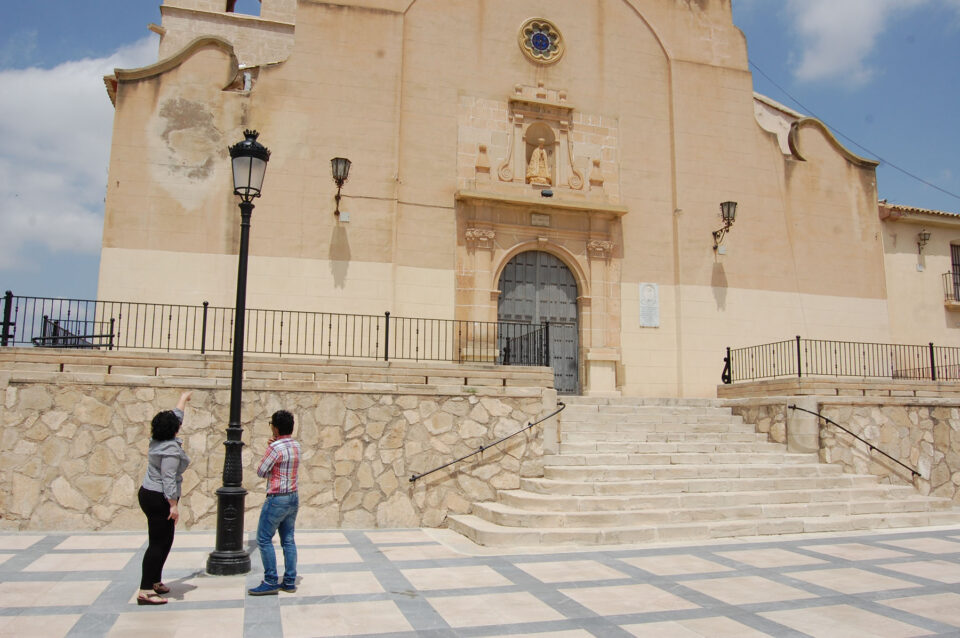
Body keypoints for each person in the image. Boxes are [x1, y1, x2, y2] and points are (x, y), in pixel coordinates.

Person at [137, 390, 192, 605]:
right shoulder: (169, 450)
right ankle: (145, 590)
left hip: (149, 492)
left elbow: (176, 416)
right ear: (173, 430)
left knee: (164, 539)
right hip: (159, 497)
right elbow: (168, 479)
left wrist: (183, 398)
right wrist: (173, 506)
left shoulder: (156, 439)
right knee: (158, 544)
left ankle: (155, 581)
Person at [248, 410, 301, 595]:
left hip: (277, 497)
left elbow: (261, 471)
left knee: (263, 538)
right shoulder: (296, 445)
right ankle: (289, 581)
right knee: (288, 539)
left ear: (275, 427)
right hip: (293, 496)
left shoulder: (275, 448)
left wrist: (269, 447)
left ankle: (271, 580)